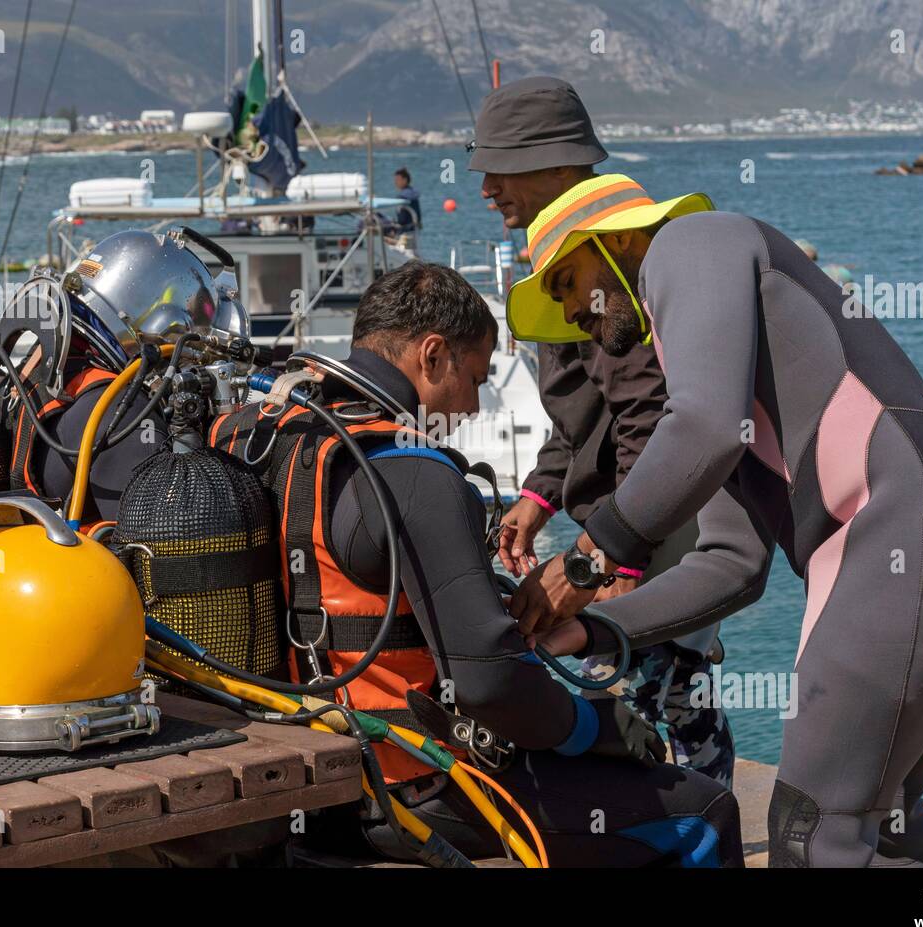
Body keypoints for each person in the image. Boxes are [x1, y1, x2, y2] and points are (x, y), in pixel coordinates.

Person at [504, 169, 923, 868]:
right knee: (888, 824)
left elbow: (704, 429)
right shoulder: (727, 382)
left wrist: (585, 563)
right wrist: (596, 626)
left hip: (904, 538)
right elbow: (731, 566)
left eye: (566, 282)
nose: (569, 314)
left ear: (620, 238)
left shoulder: (689, 242)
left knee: (815, 834)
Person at [210, 260, 744, 867]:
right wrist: (605, 728)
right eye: (473, 378)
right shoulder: (413, 473)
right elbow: (490, 685)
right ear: (432, 355)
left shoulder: (263, 432)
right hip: (413, 792)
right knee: (705, 814)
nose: (471, 406)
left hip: (304, 783)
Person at [468, 75, 732, 784]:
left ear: (559, 166)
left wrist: (621, 565)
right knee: (670, 696)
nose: (488, 186)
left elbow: (652, 418)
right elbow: (581, 414)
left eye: (502, 167)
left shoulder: (608, 258)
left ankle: (695, 828)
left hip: (648, 530)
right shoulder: (565, 262)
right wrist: (538, 495)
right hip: (627, 529)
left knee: (648, 704)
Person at [391, 167, 421, 234]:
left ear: (405, 180)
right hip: (414, 229)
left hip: (405, 230)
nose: (395, 182)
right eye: (395, 180)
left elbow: (402, 220)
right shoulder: (414, 193)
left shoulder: (402, 197)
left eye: (398, 180)